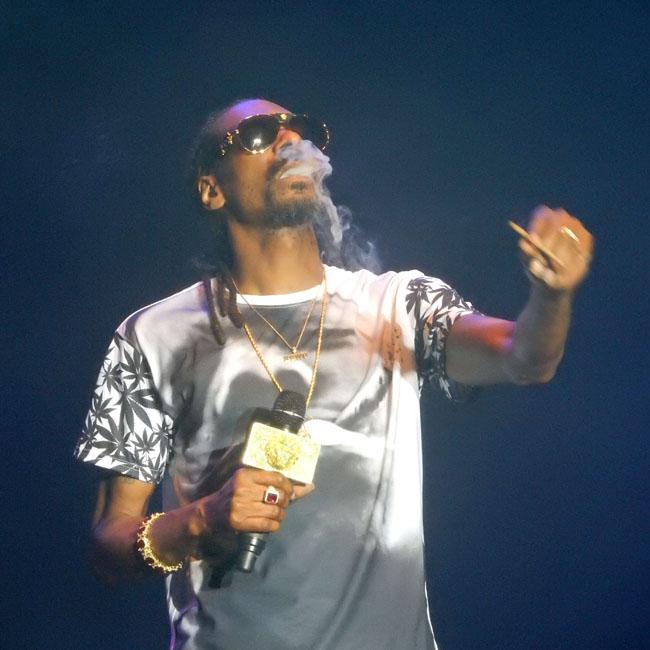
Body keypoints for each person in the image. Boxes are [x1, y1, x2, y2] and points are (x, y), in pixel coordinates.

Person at [75, 98, 594, 649]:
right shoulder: (154, 335)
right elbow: (109, 545)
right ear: (212, 189)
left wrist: (551, 296)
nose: (289, 141)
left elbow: (523, 357)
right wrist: (203, 521)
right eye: (258, 134)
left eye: (300, 130)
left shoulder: (398, 304)